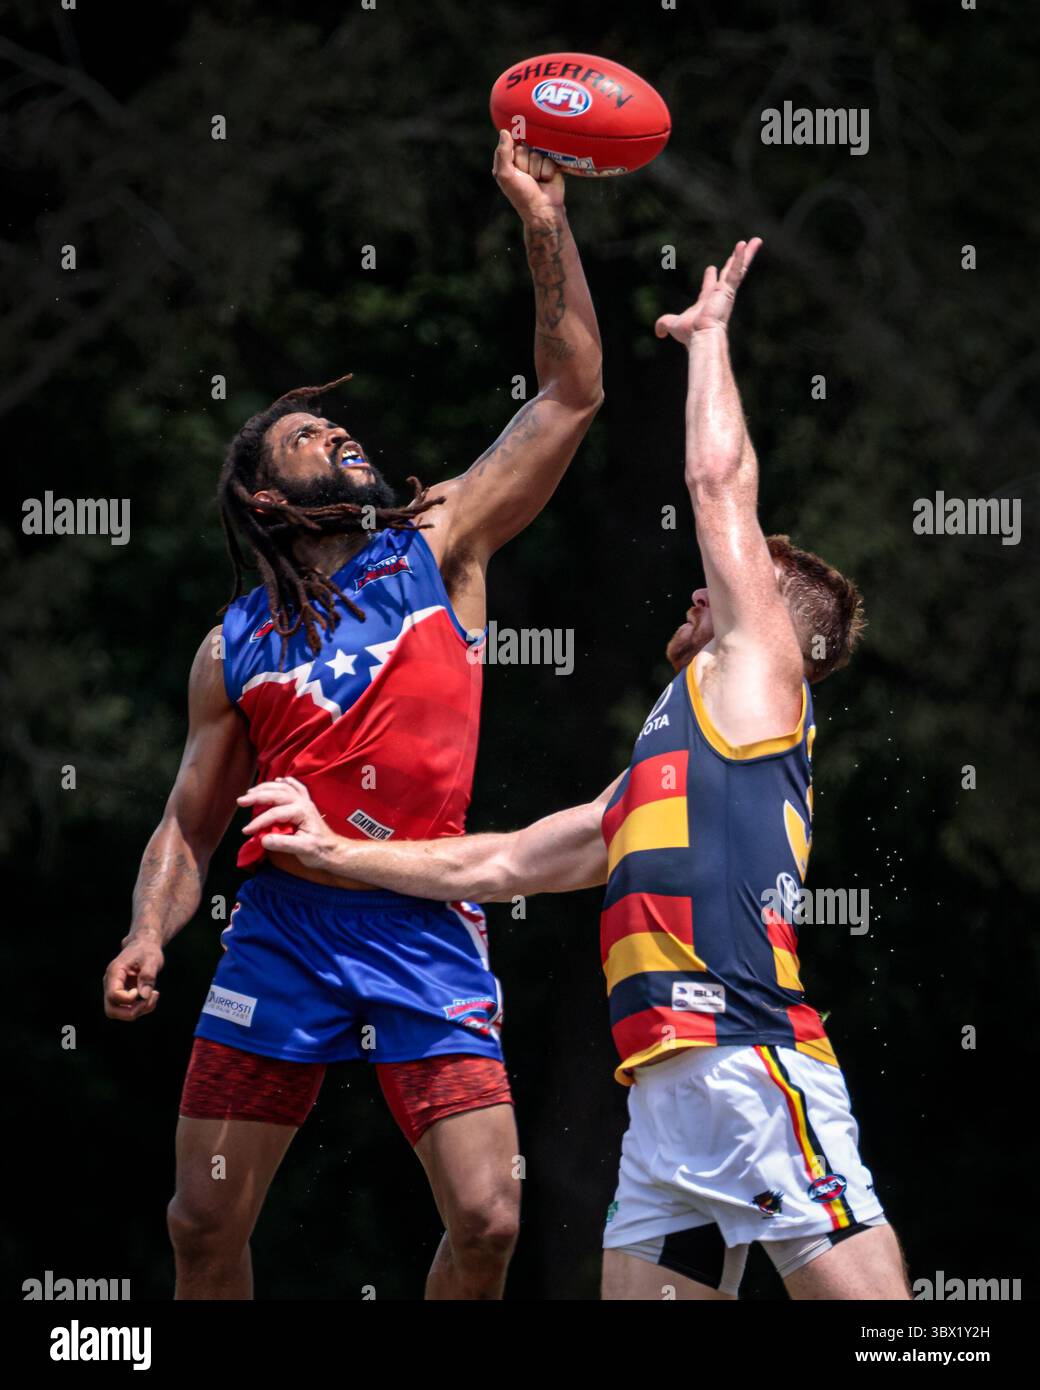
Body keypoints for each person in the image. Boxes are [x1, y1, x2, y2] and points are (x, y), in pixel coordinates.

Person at [241, 239, 911, 1301]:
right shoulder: (663, 763)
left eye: (732, 585)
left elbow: (715, 478)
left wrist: (707, 340)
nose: (703, 591)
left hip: (747, 1062)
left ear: (783, 632)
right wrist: (332, 850)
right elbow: (497, 865)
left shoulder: (758, 677)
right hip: (660, 1107)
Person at [102, 131, 604, 1301]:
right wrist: (146, 933)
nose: (339, 432)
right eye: (306, 436)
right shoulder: (232, 645)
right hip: (283, 929)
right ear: (271, 496)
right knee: (197, 1220)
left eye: (337, 424)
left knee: (488, 1217)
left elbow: (573, 389)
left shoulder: (439, 540)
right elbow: (188, 825)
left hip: (424, 912)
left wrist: (543, 222)